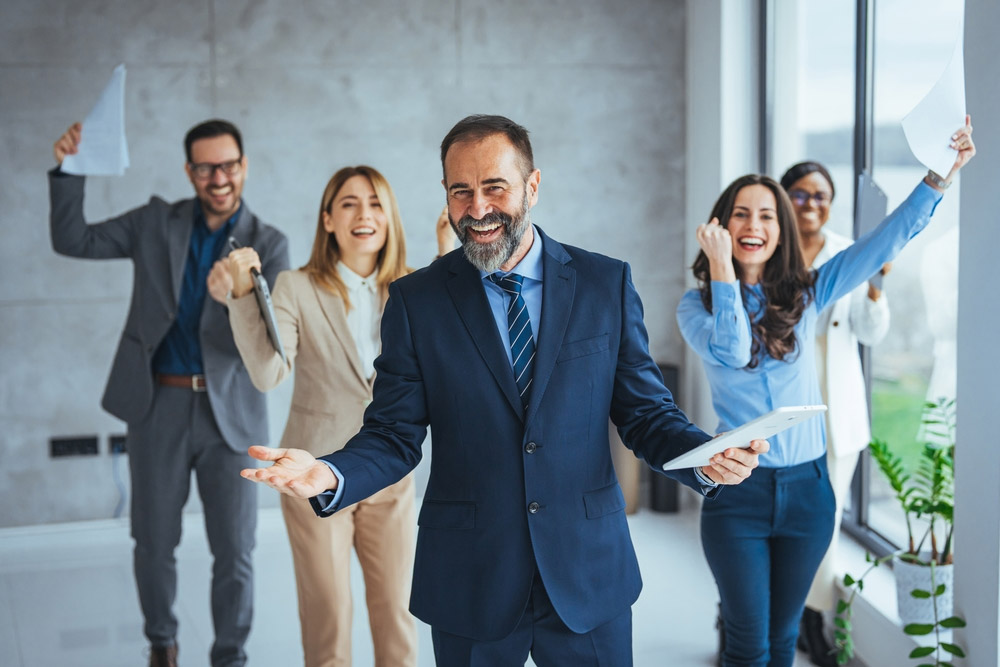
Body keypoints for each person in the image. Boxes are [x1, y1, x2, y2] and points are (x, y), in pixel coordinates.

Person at [239, 114, 768, 666]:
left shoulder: (603, 283)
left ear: (532, 186)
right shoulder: (417, 302)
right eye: (460, 191)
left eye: (495, 186)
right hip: (471, 578)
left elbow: (645, 414)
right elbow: (394, 435)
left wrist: (704, 457)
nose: (478, 208)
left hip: (586, 574)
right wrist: (330, 472)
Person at [677, 119, 975, 667]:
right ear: (720, 225)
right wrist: (725, 271)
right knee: (746, 646)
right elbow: (735, 349)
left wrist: (939, 176)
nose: (754, 224)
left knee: (784, 639)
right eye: (741, 213)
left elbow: (884, 241)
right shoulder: (695, 308)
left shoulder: (809, 293)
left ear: (781, 229)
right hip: (737, 496)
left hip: (809, 490)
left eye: (767, 214)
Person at [49, 119, 290, 667]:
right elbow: (73, 239)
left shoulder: (270, 243)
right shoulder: (155, 222)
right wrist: (70, 170)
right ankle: (162, 643)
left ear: (244, 166)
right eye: (206, 167)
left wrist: (237, 296)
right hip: (157, 405)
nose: (219, 177)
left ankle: (230, 656)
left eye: (228, 164)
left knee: (236, 553)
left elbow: (276, 341)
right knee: (153, 543)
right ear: (190, 172)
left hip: (231, 414)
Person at [225, 167, 455, 666]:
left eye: (375, 202)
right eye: (348, 203)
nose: (364, 214)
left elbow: (451, 353)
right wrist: (244, 294)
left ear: (390, 216)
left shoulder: (415, 287)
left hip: (391, 479)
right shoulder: (295, 287)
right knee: (329, 614)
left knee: (396, 612)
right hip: (314, 474)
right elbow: (268, 374)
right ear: (328, 219)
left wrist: (446, 256)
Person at [779, 161, 890, 666]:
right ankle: (762, 613)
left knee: (824, 523)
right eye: (800, 195)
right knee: (775, 516)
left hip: (836, 410)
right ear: (783, 197)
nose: (811, 205)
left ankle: (812, 617)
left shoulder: (850, 251)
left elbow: (870, 332)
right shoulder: (768, 248)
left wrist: (876, 285)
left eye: (821, 196)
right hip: (784, 407)